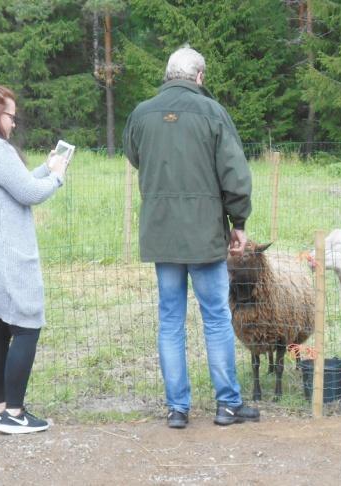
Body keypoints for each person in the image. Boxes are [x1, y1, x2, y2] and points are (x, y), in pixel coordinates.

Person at [122, 45, 259, 429]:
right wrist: (240, 222)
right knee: (215, 317)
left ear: (169, 74)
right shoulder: (213, 113)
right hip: (204, 237)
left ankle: (177, 408)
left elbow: (134, 155)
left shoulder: (141, 113)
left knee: (170, 320)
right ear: (199, 76)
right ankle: (227, 404)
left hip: (162, 234)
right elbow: (235, 173)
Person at [0, 83, 68, 434]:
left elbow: (13, 184)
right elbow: (30, 193)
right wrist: (58, 177)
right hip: (3, 253)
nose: (14, 123)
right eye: (10, 116)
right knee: (27, 326)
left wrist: (44, 167)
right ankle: (15, 415)